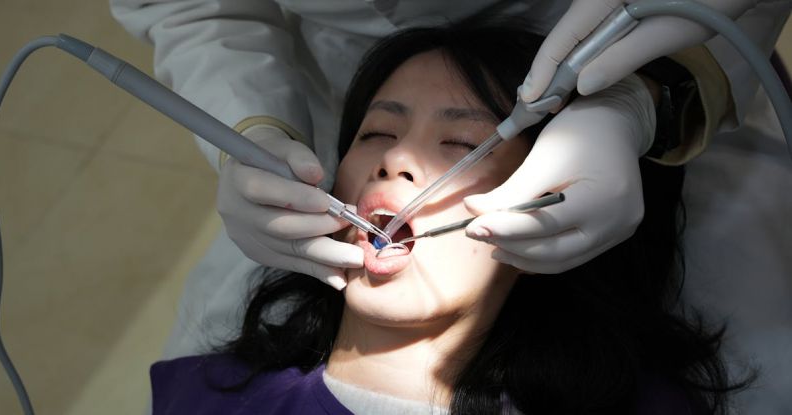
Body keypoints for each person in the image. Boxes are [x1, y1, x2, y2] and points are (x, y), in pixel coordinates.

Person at [110, 0, 792, 412]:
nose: (394, 158)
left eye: (460, 143)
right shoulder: (203, 392)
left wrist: (641, 98)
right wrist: (252, 131)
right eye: (375, 132)